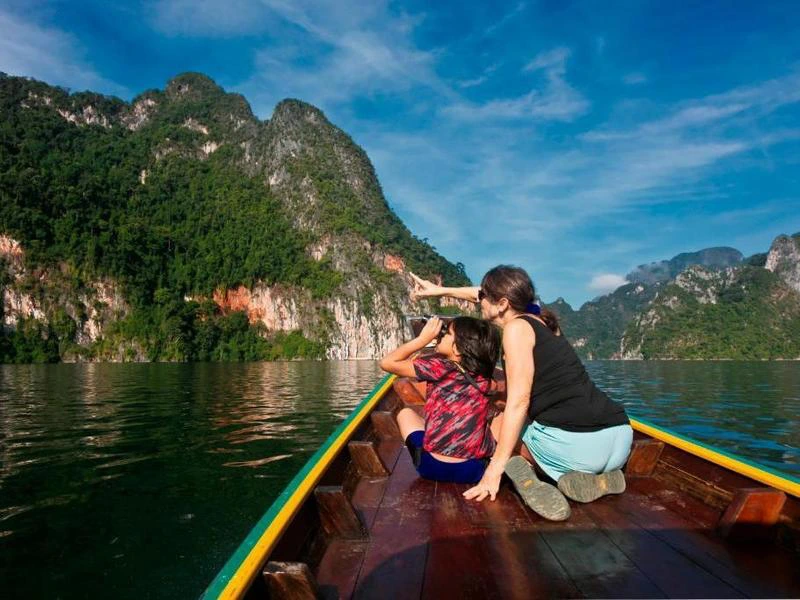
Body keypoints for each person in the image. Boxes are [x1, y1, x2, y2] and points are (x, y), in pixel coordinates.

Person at [409, 266, 632, 521]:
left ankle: (526, 475)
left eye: (485, 298)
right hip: (619, 438)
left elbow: (519, 401)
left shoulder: (516, 329)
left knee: (495, 432)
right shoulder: (545, 322)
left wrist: (494, 469)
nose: (480, 302)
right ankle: (602, 476)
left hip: (578, 448)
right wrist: (440, 290)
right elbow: (480, 295)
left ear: (502, 303)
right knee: (515, 415)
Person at [379, 315, 501, 484]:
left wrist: (422, 339)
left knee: (405, 413)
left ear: (457, 349)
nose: (440, 336)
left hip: (430, 467)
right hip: (474, 470)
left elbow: (387, 362)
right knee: (501, 417)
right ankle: (500, 461)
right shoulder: (487, 381)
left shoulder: (438, 367)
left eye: (446, 333)